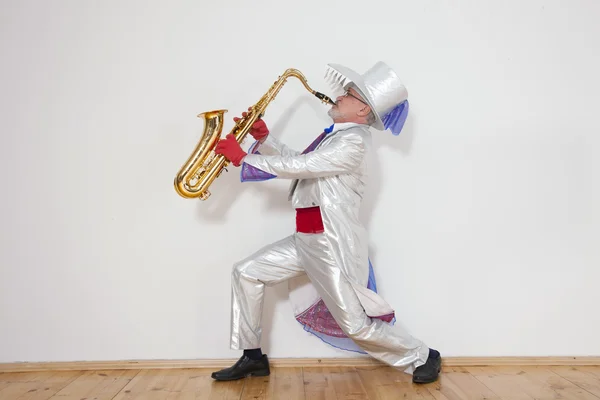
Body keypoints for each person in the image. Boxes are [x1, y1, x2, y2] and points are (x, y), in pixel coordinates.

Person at [210, 61, 441, 384]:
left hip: (331, 245)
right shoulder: (336, 137)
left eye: (347, 94)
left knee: (356, 325)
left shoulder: (354, 142)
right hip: (306, 238)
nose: (338, 97)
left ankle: (422, 355)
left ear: (362, 110)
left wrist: (243, 157)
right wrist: (265, 139)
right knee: (247, 272)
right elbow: (303, 163)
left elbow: (303, 165)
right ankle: (252, 356)